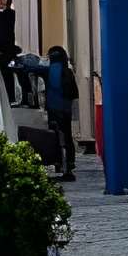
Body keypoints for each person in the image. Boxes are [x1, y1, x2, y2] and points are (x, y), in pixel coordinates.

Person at [44, 45, 79, 179]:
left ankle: (58, 162)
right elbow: (74, 93)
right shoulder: (67, 72)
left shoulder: (47, 71)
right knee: (68, 137)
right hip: (65, 109)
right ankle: (69, 163)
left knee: (54, 136)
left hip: (53, 109)